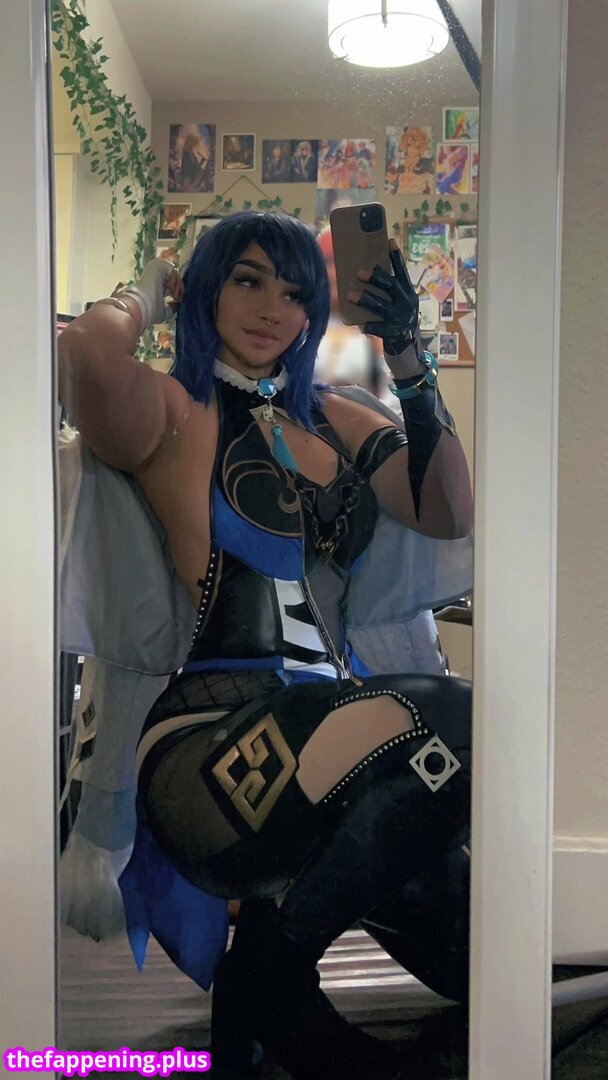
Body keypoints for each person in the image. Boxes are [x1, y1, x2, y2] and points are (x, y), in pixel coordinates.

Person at [58, 211, 473, 1080]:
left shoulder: (337, 416)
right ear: (208, 288)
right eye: (246, 280)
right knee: (456, 721)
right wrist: (154, 286)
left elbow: (446, 510)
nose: (271, 308)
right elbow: (87, 359)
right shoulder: (176, 411)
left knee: (481, 955)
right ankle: (271, 982)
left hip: (338, 733)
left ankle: (270, 985)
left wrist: (407, 353)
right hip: (211, 747)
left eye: (294, 291)